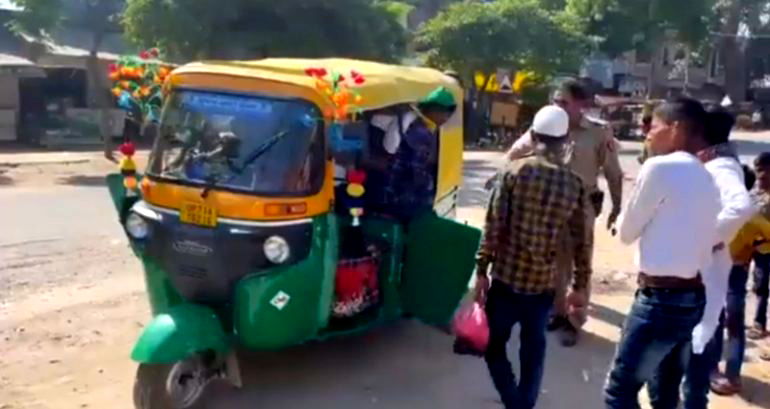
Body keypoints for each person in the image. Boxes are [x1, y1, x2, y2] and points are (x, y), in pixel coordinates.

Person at [604, 98, 722, 409]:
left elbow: (627, 232)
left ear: (675, 128)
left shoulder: (660, 167)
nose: (647, 135)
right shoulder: (706, 174)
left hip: (659, 301)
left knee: (620, 392)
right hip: (693, 299)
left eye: (653, 127)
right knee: (665, 393)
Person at [475, 105, 591, 409]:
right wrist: (580, 283)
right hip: (543, 285)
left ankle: (514, 403)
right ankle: (523, 404)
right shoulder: (574, 183)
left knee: (494, 347)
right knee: (533, 351)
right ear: (565, 140)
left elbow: (493, 225)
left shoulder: (513, 172)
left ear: (534, 135)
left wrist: (480, 271)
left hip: (506, 280)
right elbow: (582, 241)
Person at [503, 79, 623, 347]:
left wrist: (617, 206)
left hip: (582, 207)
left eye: (564, 102)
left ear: (581, 105)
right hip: (550, 206)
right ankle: (557, 313)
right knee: (556, 264)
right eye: (555, 101)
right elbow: (515, 153)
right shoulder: (545, 127)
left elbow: (614, 173)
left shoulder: (598, 133)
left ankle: (574, 320)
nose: (557, 107)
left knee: (581, 263)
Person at [673, 106, 755, 409]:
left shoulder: (721, 166)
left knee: (703, 335)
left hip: (710, 268)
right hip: (703, 269)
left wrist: (708, 239)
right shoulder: (713, 161)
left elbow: (741, 206)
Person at [700, 166, 770, 397]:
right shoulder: (755, 218)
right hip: (738, 272)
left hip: (716, 272)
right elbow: (765, 246)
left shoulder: (715, 213)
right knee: (735, 325)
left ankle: (712, 371)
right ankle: (733, 376)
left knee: (715, 322)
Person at [381, 87, 456, 222]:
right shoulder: (420, 133)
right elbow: (417, 172)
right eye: (444, 113)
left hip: (396, 195)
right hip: (404, 199)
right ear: (432, 110)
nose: (446, 118)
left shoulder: (419, 126)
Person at [750, 152, 770, 340]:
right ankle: (759, 322)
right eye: (758, 170)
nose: (761, 175)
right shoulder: (755, 192)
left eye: (765, 170)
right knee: (760, 286)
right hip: (756, 249)